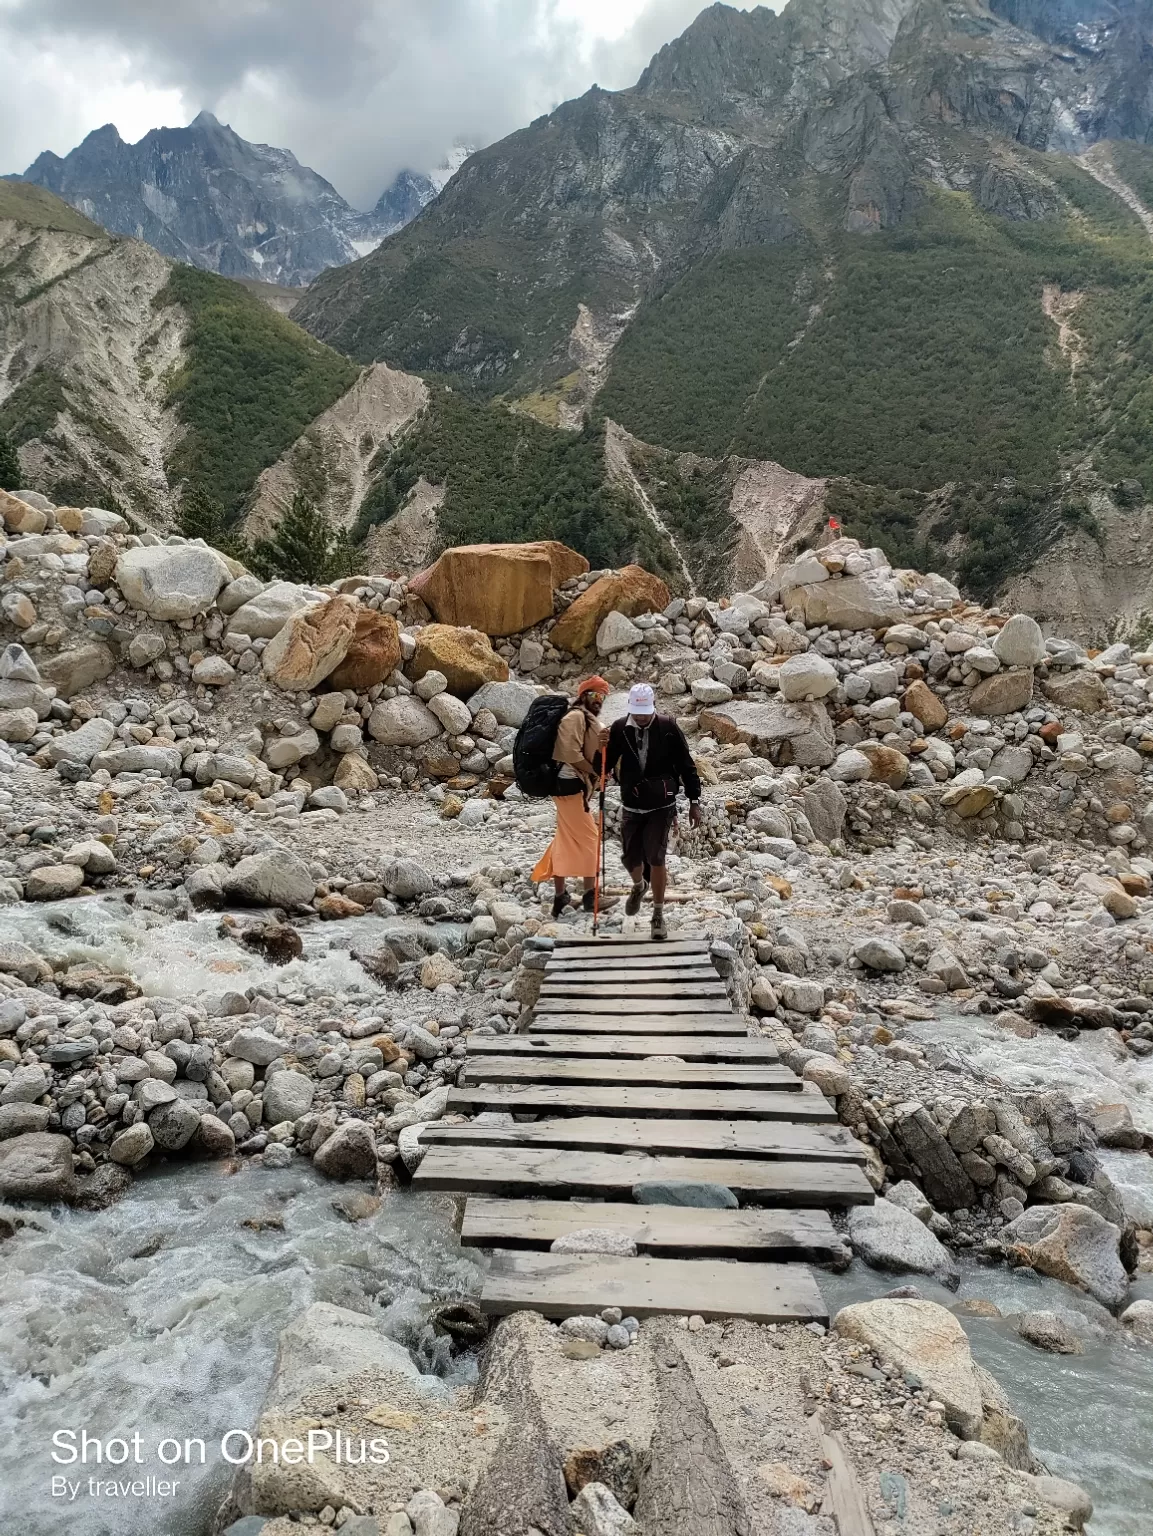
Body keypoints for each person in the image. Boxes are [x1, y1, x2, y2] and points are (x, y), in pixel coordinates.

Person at [602, 682, 702, 940]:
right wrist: (598, 749)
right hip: (631, 804)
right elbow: (604, 765)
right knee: (630, 859)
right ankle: (639, 885)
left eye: (645, 712)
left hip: (662, 804)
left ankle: (658, 916)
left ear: (653, 707)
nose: (642, 717)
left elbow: (686, 765)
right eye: (638, 713)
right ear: (630, 710)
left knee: (657, 858)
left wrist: (694, 801)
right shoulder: (619, 729)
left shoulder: (668, 728)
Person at [531, 676, 611, 918]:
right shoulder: (575, 717)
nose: (600, 700)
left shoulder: (584, 718)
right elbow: (568, 753)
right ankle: (590, 896)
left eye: (603, 696)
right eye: (596, 695)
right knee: (591, 839)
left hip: (572, 787)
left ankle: (560, 898)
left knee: (565, 839)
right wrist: (594, 770)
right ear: (584, 694)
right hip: (568, 785)